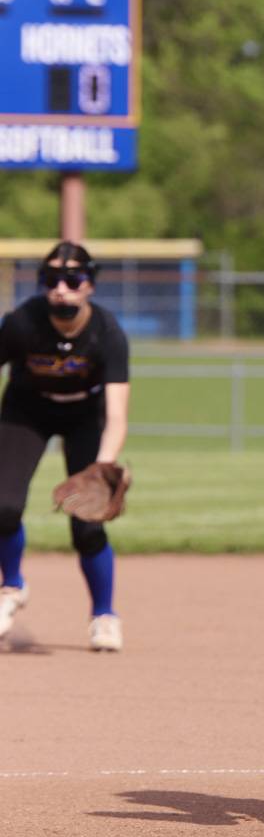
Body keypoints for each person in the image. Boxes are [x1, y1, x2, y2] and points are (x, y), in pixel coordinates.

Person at [0, 241, 130, 652]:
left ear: (89, 284)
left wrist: (104, 467)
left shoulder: (107, 333)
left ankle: (104, 615)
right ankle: (12, 586)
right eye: (51, 279)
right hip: (26, 411)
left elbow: (116, 414)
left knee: (87, 525)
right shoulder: (22, 323)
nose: (62, 288)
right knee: (3, 506)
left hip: (84, 418)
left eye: (73, 279)